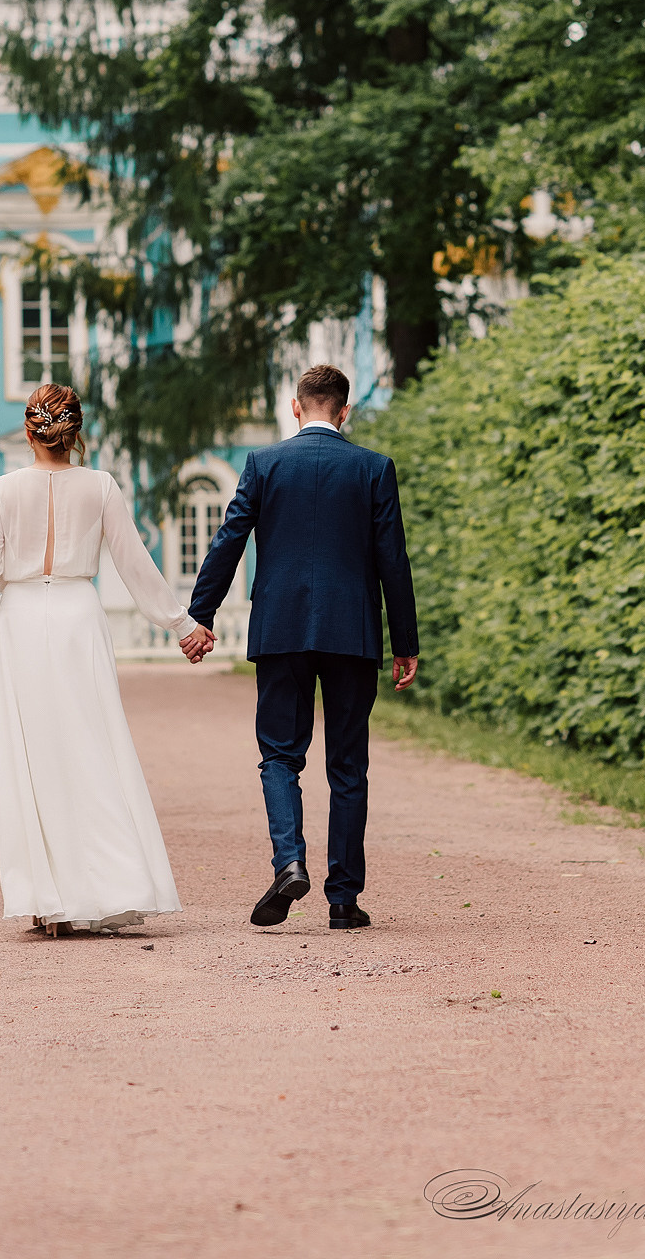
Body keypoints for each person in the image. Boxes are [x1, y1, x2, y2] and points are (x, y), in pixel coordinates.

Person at [179, 363, 418, 931]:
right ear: (344, 410)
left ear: (295, 407)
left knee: (280, 755)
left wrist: (200, 616)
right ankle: (343, 897)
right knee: (348, 766)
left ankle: (289, 862)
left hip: (281, 630)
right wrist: (404, 642)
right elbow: (393, 561)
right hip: (352, 633)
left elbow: (228, 540)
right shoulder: (373, 469)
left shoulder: (265, 464)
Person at [0, 382, 199, 937]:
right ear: (76, 434)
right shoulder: (100, 486)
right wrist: (181, 623)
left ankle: (45, 899)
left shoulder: (2, 490)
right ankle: (109, 883)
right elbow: (132, 561)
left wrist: (14, 577)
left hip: (22, 618)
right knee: (93, 744)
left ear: (30, 431)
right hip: (79, 613)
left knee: (30, 754)